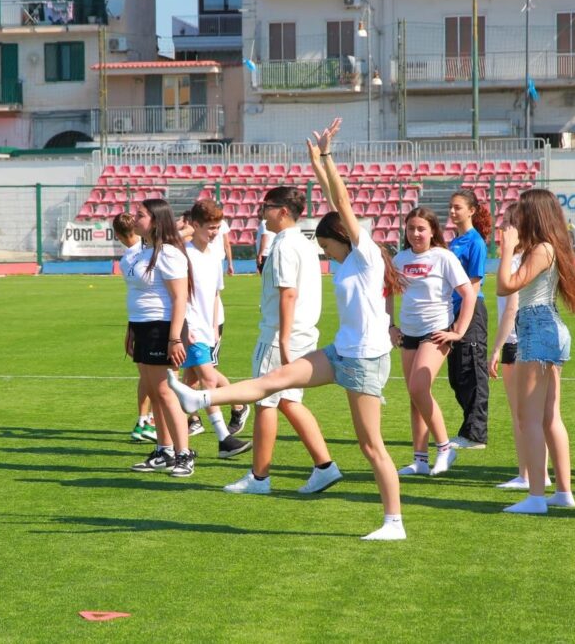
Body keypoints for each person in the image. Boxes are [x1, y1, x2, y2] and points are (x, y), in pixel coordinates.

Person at [169, 118, 408, 540]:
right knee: (274, 381)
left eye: (326, 242)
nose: (322, 248)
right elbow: (334, 203)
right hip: (340, 352)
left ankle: (394, 523)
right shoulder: (347, 260)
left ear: (342, 238)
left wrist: (329, 158)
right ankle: (201, 397)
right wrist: (315, 162)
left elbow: (342, 200)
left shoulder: (365, 254)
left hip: (366, 361)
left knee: (372, 447)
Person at [216, 184, 343, 497]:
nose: (262, 212)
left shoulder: (286, 245)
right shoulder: (299, 243)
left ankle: (259, 477)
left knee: (265, 401)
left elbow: (288, 293)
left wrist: (283, 341)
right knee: (287, 401)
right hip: (299, 333)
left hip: (280, 335)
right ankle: (325, 467)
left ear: (283, 211)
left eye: (267, 206)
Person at [496, 189, 575, 514]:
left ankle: (536, 495)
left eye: (522, 210)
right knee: (549, 417)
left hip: (537, 329)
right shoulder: (548, 247)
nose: (516, 216)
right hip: (548, 327)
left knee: (529, 418)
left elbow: (505, 285)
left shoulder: (541, 250)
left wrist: (507, 250)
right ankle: (562, 491)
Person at [389, 206, 475, 478]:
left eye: (421, 229)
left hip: (435, 332)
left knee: (418, 387)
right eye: (411, 228)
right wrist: (390, 326)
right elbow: (388, 293)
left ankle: (445, 447)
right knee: (415, 397)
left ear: (433, 231)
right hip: (408, 333)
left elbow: (469, 294)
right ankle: (419, 459)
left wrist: (458, 331)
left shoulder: (443, 257)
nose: (415, 233)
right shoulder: (399, 259)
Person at [124, 199, 196, 477]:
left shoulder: (168, 253)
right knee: (154, 393)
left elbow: (180, 298)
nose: (134, 218)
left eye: (140, 215)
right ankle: (164, 451)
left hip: (161, 328)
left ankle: (184, 454)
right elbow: (137, 295)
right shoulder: (143, 253)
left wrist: (174, 338)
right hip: (142, 327)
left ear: (156, 220)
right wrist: (130, 330)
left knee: (166, 393)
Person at [181, 199, 254, 459]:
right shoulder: (183, 255)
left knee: (186, 384)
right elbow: (177, 296)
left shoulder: (214, 256)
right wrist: (184, 327)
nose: (214, 232)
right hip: (188, 330)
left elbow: (214, 294)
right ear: (194, 225)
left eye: (217, 227)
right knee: (208, 379)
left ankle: (172, 436)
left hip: (205, 328)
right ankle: (224, 438)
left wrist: (213, 325)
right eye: (209, 227)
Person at [489, 203, 549, 490]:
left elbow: (511, 307)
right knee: (532, 415)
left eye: (510, 222)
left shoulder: (516, 262)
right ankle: (532, 473)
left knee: (523, 415)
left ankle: (529, 475)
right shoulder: (522, 258)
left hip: (518, 341)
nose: (504, 227)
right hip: (526, 340)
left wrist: (497, 347)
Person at [445, 189, 492, 449]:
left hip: (471, 312)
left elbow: (474, 285)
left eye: (458, 207)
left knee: (472, 370)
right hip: (455, 311)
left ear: (471, 210)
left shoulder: (475, 242)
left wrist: (463, 319)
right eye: (451, 207)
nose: (453, 212)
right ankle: (468, 429)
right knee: (458, 375)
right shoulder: (455, 241)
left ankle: (476, 435)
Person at [114, 212, 157, 444]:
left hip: (149, 320)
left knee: (153, 374)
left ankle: (149, 419)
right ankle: (146, 420)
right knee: (149, 374)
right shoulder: (138, 254)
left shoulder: (146, 251)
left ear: (117, 235)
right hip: (143, 321)